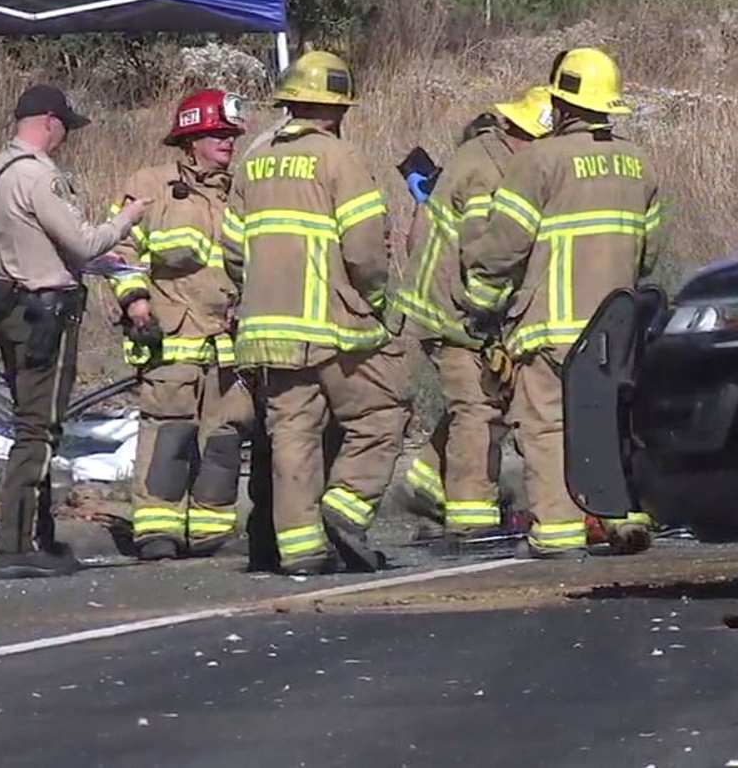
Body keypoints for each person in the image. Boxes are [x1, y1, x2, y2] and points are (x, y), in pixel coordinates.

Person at [459, 47, 666, 559]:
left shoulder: (538, 161)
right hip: (615, 329)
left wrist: (479, 299)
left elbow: (505, 246)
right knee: (609, 422)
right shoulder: (639, 163)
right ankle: (620, 520)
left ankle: (557, 532)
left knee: (548, 426)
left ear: (560, 102)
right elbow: (649, 254)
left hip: (550, 328)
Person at [219, 50, 413, 576]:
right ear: (334, 110)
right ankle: (343, 508)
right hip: (330, 324)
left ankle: (302, 551)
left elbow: (233, 249)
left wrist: (259, 295)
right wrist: (373, 301)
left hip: (266, 330)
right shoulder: (339, 158)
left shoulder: (253, 162)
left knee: (292, 434)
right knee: (380, 413)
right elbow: (366, 249)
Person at [0, 84, 152, 579]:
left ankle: (39, 535)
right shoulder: (39, 176)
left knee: (31, 421)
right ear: (49, 122)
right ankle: (18, 542)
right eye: (64, 129)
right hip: (44, 313)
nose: (65, 140)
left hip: (13, 304)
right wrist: (127, 217)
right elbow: (81, 240)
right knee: (38, 428)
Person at [389, 86, 554, 543]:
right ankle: (471, 517)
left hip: (460, 306)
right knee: (478, 409)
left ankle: (425, 483)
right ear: (521, 132)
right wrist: (485, 318)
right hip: (452, 310)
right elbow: (484, 253)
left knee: (485, 402)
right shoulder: (486, 170)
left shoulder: (498, 158)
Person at [105, 89, 257, 562]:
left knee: (225, 435)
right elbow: (120, 253)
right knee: (170, 431)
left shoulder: (242, 192)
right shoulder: (150, 186)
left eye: (230, 135)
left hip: (227, 339)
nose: (226, 142)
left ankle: (210, 529)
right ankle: (156, 530)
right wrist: (135, 304)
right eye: (216, 134)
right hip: (171, 334)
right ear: (190, 139)